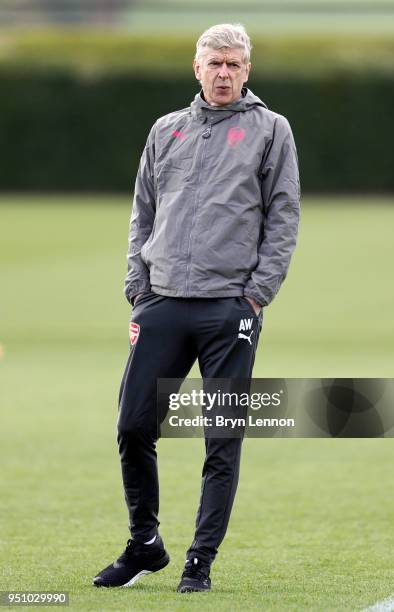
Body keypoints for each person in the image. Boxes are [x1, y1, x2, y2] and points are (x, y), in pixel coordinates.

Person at [93, 22, 300, 593]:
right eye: (216, 63)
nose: (225, 73)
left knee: (221, 438)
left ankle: (199, 561)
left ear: (247, 70)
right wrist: (139, 287)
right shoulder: (167, 130)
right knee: (133, 425)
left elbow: (283, 216)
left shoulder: (271, 130)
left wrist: (256, 294)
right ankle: (145, 544)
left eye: (235, 64)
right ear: (197, 67)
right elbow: (143, 211)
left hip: (228, 309)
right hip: (161, 302)